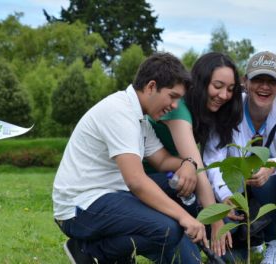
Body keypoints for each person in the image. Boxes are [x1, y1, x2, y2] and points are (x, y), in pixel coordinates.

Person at [52, 52, 208, 264]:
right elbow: (136, 181)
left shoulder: (140, 119)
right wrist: (184, 217)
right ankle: (93, 252)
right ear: (151, 87)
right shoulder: (119, 112)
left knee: (178, 183)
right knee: (167, 229)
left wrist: (188, 164)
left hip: (110, 195)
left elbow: (161, 161)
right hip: (79, 208)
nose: (174, 105)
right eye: (172, 96)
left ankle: (125, 253)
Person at [204, 51, 276, 264]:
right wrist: (224, 195)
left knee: (271, 180)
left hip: (269, 184)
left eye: (271, 81)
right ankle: (251, 238)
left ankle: (275, 244)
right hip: (234, 187)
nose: (264, 87)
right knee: (231, 258)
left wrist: (271, 166)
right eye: (257, 79)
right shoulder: (229, 107)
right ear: (245, 82)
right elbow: (213, 157)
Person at [144, 52, 243, 256]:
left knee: (229, 235)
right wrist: (215, 220)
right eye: (217, 86)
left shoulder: (207, 114)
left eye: (230, 90)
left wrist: (222, 205)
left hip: (178, 181)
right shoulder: (178, 108)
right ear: (200, 81)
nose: (224, 95)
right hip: (151, 183)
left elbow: (205, 164)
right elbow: (198, 169)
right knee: (194, 253)